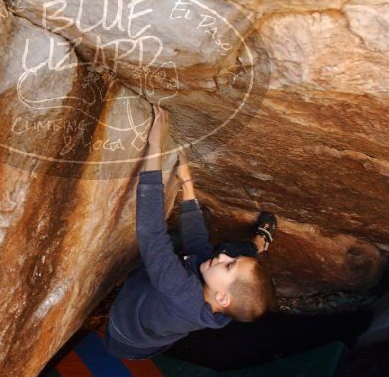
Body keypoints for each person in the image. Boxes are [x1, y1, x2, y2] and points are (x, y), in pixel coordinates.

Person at [103, 104, 277, 360]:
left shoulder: (181, 293)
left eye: (229, 266)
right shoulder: (222, 303)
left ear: (222, 297)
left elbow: (151, 234)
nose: (224, 257)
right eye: (233, 262)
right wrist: (187, 184)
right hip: (156, 325)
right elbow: (198, 244)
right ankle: (259, 244)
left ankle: (256, 247)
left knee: (170, 246)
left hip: (127, 332)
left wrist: (155, 148)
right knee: (218, 249)